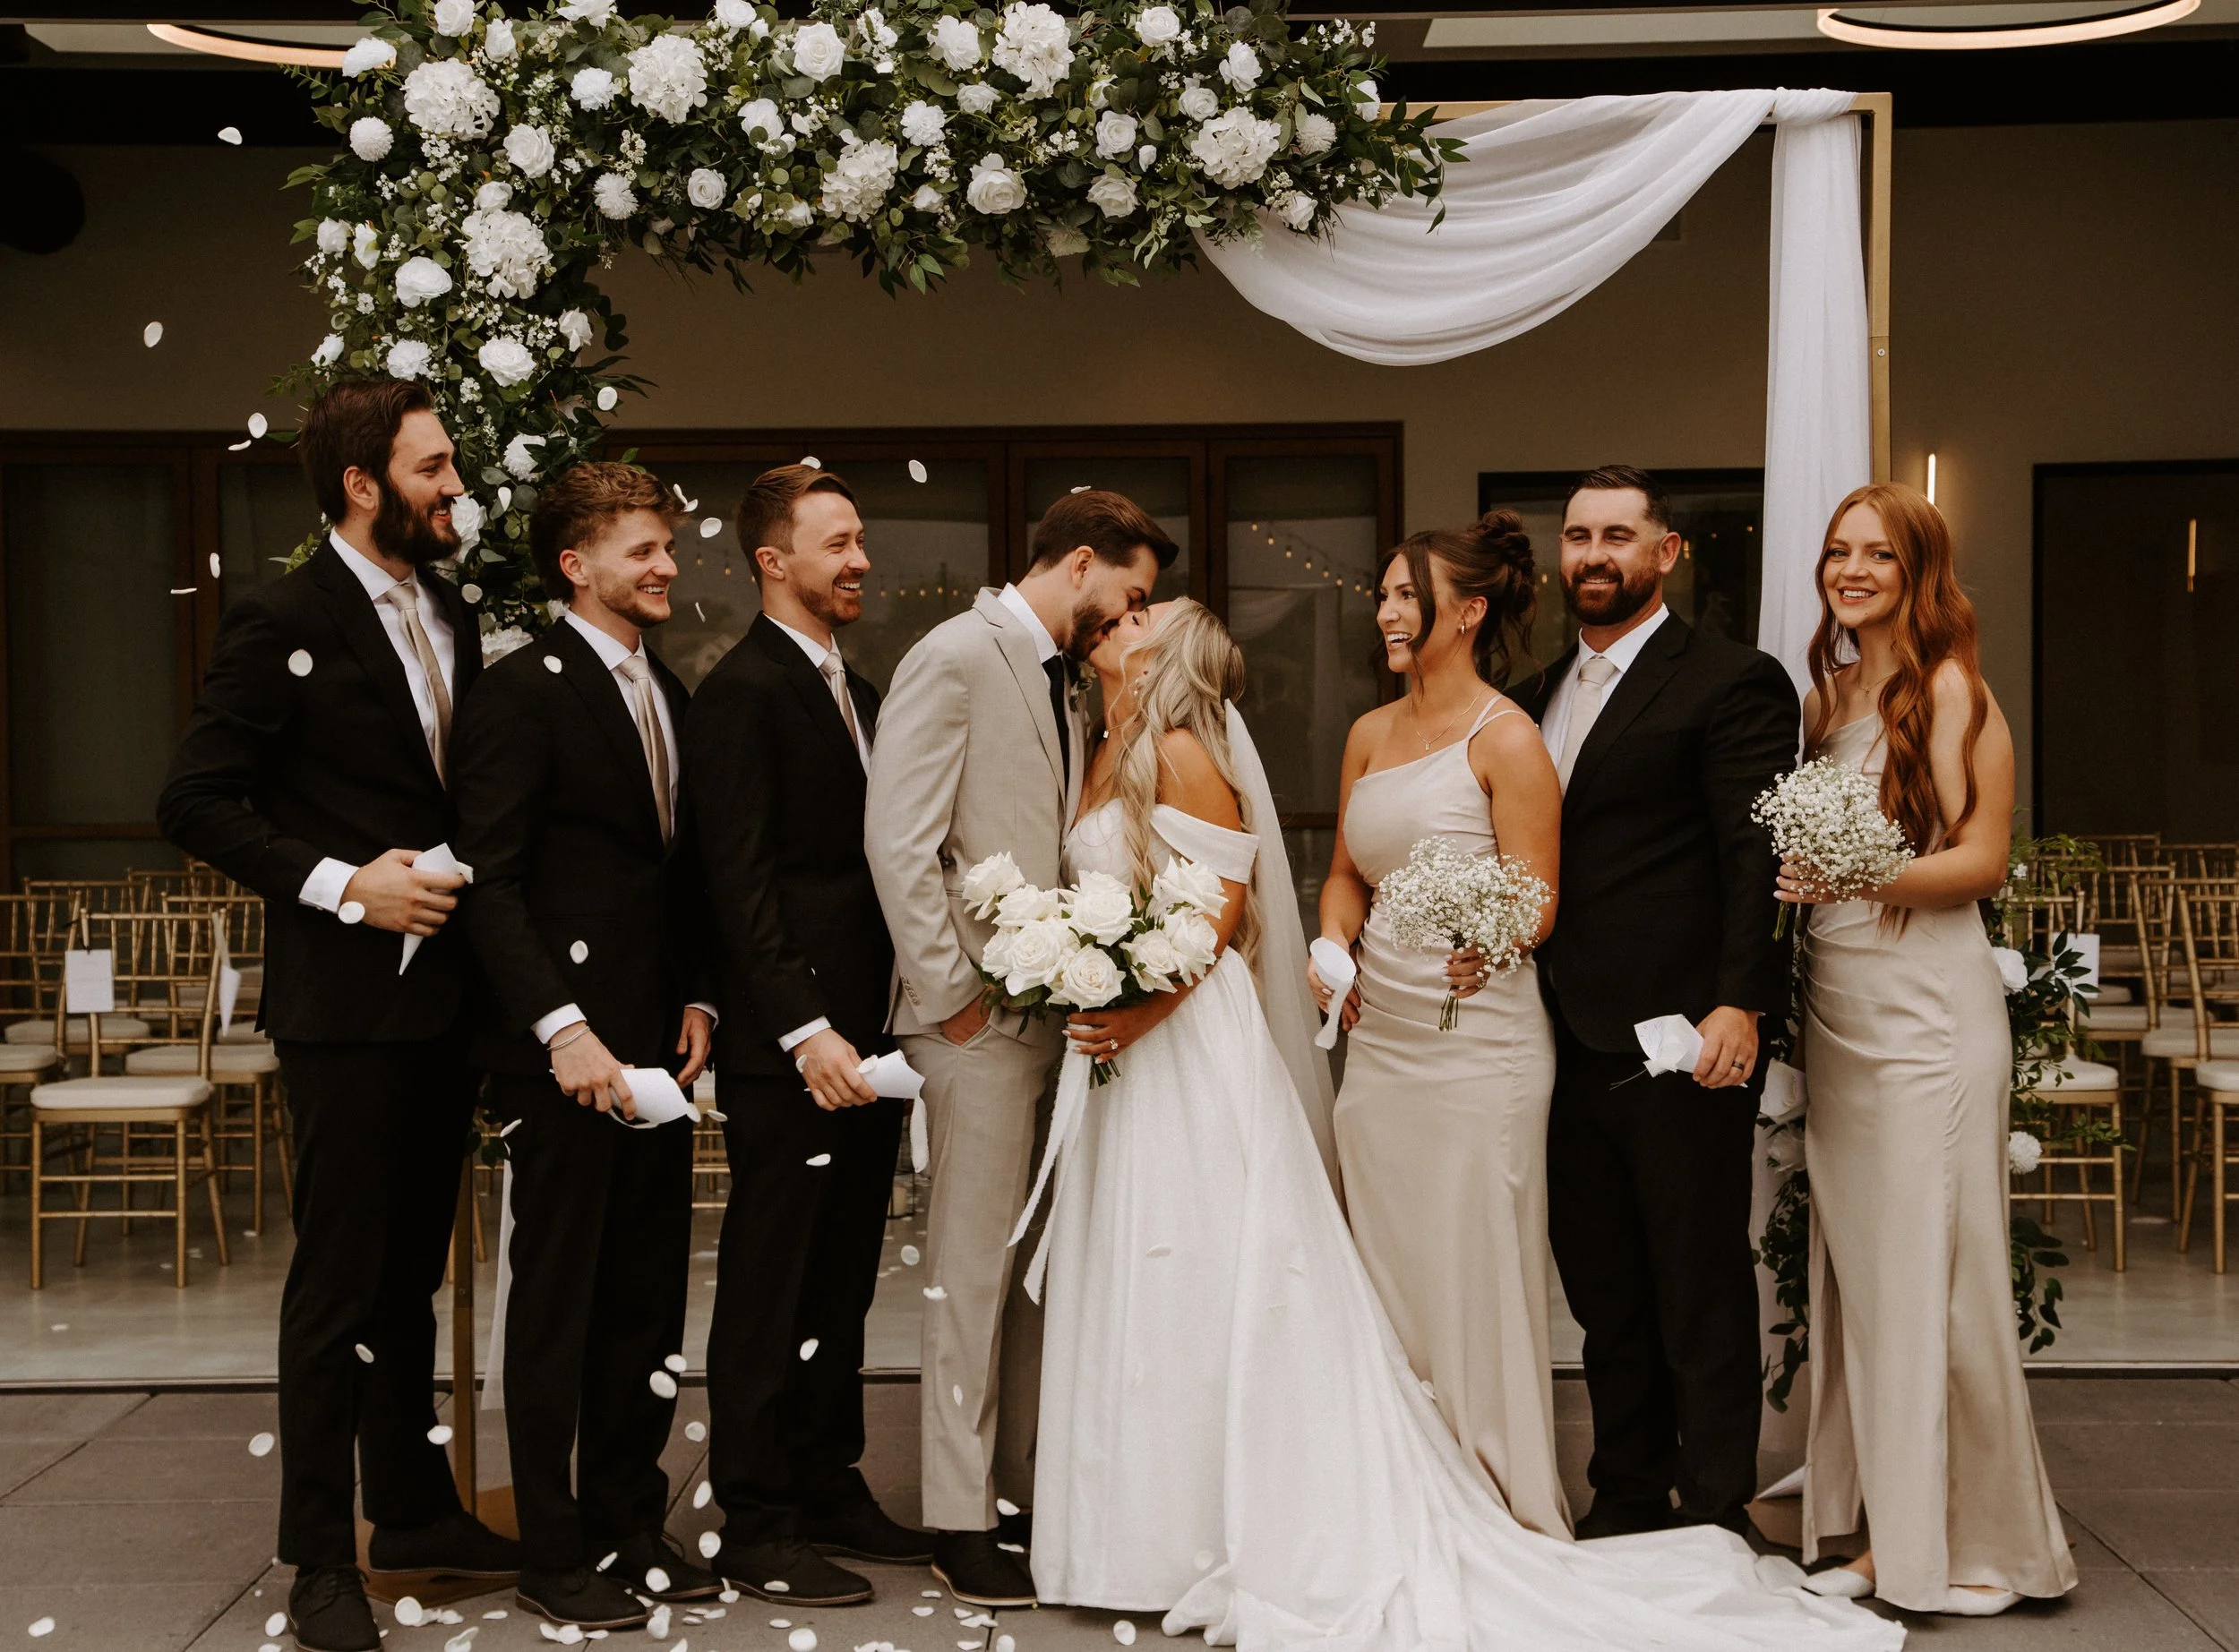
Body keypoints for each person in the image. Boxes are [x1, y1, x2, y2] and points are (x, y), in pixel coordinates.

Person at [1030, 599, 1901, 1652]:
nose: (1120, 619)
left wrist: (1136, 998)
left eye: (1141, 614)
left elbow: (1235, 904)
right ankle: (1143, 1518)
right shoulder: (1117, 739)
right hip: (1357, 1028)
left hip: (1475, 1028)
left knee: (1656, 1265)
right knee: (1174, 1267)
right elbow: (1332, 877)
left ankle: (1663, 1491)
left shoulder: (1485, 728)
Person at [158, 380, 517, 1652]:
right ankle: (316, 1554)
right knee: (335, 1287)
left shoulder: (451, 609)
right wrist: (344, 886)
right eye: (434, 468)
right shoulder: (279, 618)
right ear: (364, 483)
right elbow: (195, 800)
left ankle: (413, 1508)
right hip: (345, 1009)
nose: (454, 487)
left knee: (409, 1278)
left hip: (446, 1011)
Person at [864, 491, 1173, 1607]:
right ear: (1079, 562)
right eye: (1128, 594)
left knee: (1037, 1273)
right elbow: (898, 838)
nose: (1129, 616)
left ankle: (1025, 1483)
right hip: (978, 1026)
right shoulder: (955, 655)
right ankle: (956, 1513)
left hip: (1059, 1014)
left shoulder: (1060, 673)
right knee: (969, 1272)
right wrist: (952, 1001)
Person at [1780, 484, 2076, 1617]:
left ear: (1919, 573)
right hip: (1844, 1016)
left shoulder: (1950, 689)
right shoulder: (1829, 696)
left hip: (1926, 1020)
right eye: (1837, 553)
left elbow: (1980, 863)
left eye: (1877, 557)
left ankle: (1970, 1539)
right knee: (1872, 1287)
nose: (1850, 572)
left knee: (1935, 1289)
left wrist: (1855, 877)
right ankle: (1887, 1519)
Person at [450, 462, 718, 1632]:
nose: (666, 566)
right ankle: (550, 1546)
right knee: (557, 1300)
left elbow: (681, 874)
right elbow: (489, 883)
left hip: (662, 1047)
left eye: (666, 548)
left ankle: (626, 1516)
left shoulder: (674, 691)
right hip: (567, 1057)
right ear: (578, 564)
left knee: (647, 1296)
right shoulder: (520, 692)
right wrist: (561, 1031)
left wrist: (702, 1000)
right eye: (643, 551)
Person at [1510, 466, 1798, 1541]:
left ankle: (1715, 1504)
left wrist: (1741, 1007)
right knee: (1602, 1287)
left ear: (1665, 553)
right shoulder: (1535, 691)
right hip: (1557, 1034)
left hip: (1683, 1037)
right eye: (1579, 535)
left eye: (1617, 535)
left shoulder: (1731, 680)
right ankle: (1626, 1492)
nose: (1593, 553)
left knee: (1698, 1279)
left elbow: (1755, 855)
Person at [685, 466, 928, 1604]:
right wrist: (800, 1030)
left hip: (874, 1043)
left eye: (861, 535)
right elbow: (736, 884)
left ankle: (828, 1478)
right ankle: (757, 1514)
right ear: (772, 562)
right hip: (801, 1050)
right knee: (772, 1277)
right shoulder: (740, 693)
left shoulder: (864, 692)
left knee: (841, 1278)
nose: (860, 559)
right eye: (838, 542)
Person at [1309, 512, 1569, 1538]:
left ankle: (1491, 1501)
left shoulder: (1507, 740)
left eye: (1406, 595)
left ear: (1467, 612)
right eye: (1381, 593)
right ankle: (1398, 1497)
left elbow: (1538, 896)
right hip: (1379, 1050)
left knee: (1471, 1276)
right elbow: (1343, 877)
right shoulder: (1368, 733)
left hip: (1478, 1049)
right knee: (1385, 1270)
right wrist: (1330, 951)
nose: (1385, 609)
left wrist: (1493, 937)